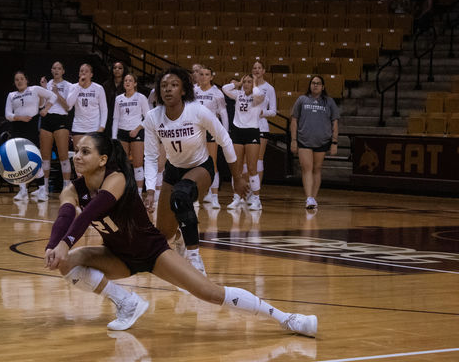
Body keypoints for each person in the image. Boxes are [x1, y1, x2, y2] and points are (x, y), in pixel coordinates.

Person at [44, 132, 317, 337]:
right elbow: (66, 216)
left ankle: (287, 318)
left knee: (209, 292)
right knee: (65, 262)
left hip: (152, 252)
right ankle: (127, 302)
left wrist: (67, 242)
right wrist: (53, 246)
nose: (77, 156)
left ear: (103, 159)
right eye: (76, 151)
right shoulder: (72, 189)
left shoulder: (116, 179)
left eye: (85, 151)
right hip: (117, 255)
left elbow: (91, 213)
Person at [143, 67, 248, 275]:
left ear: (183, 90)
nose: (168, 90)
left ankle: (194, 257)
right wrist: (150, 189)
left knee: (181, 196)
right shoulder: (153, 117)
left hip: (201, 167)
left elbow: (224, 140)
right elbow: (151, 157)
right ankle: (181, 238)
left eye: (174, 85)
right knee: (165, 234)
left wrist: (237, 177)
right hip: (174, 170)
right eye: (164, 86)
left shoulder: (197, 111)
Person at [5, 70, 57, 202]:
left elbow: (53, 96)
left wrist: (45, 109)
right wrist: (19, 117)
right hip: (17, 127)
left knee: (33, 159)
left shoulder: (34, 89)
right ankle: (23, 190)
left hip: (31, 127)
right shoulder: (11, 95)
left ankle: (41, 190)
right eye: (17, 80)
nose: (19, 81)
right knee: (19, 160)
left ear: (26, 80)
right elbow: (7, 114)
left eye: (21, 78)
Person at [290, 75, 340, 209]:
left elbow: (334, 122)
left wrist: (334, 142)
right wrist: (293, 140)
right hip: (304, 139)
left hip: (322, 140)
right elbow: (294, 120)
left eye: (318, 83)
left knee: (317, 169)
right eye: (313, 83)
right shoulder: (302, 100)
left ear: (323, 87)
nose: (315, 85)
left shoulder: (329, 102)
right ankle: (309, 198)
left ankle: (314, 197)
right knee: (307, 168)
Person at [222, 74, 265, 210]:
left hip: (252, 131)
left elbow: (257, 92)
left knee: (252, 168)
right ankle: (237, 197)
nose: (246, 84)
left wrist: (255, 84)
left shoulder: (259, 95)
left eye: (249, 82)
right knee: (237, 168)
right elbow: (224, 88)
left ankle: (257, 199)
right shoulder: (238, 94)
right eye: (245, 81)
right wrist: (237, 84)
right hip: (237, 131)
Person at [35, 61, 73, 201]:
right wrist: (44, 89)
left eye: (59, 68)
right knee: (45, 156)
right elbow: (42, 105)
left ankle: (66, 187)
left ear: (63, 71)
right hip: (47, 119)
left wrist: (56, 93)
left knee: (63, 155)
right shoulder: (48, 83)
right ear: (51, 70)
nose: (56, 70)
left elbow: (68, 107)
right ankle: (43, 189)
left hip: (61, 120)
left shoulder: (68, 85)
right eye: (54, 68)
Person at [194, 65, 229, 209]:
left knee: (212, 162)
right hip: (195, 130)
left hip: (211, 130)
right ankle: (195, 196)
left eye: (207, 74)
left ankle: (214, 197)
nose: (203, 77)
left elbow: (223, 113)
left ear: (211, 77)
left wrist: (224, 133)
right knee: (195, 164)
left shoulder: (217, 93)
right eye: (201, 74)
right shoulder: (193, 91)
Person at [111, 73, 149, 196]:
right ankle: (125, 190)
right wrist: (114, 137)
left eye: (130, 80)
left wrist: (137, 129)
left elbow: (148, 117)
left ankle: (138, 192)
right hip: (122, 132)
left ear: (135, 83)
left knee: (138, 163)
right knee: (123, 163)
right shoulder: (119, 99)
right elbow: (115, 118)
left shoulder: (141, 97)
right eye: (125, 80)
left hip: (136, 131)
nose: (127, 82)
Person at [66, 63, 107, 150]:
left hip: (94, 127)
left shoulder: (98, 88)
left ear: (91, 75)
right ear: (79, 74)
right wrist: (79, 86)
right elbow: (69, 105)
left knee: (92, 154)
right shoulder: (73, 87)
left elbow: (104, 109)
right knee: (78, 153)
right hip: (78, 126)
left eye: (86, 71)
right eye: (81, 71)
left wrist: (102, 126)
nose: (83, 73)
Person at [252, 61, 276, 204]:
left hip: (261, 127)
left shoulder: (269, 88)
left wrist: (262, 112)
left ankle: (256, 195)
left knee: (258, 161)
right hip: (246, 127)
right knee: (245, 162)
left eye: (259, 68)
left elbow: (273, 111)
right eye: (254, 68)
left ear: (264, 71)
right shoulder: (247, 85)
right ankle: (246, 193)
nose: (256, 70)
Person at [102, 62, 128, 138]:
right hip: (108, 116)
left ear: (124, 70)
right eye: (115, 68)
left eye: (120, 68)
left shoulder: (127, 84)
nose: (117, 70)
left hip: (123, 115)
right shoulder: (106, 84)